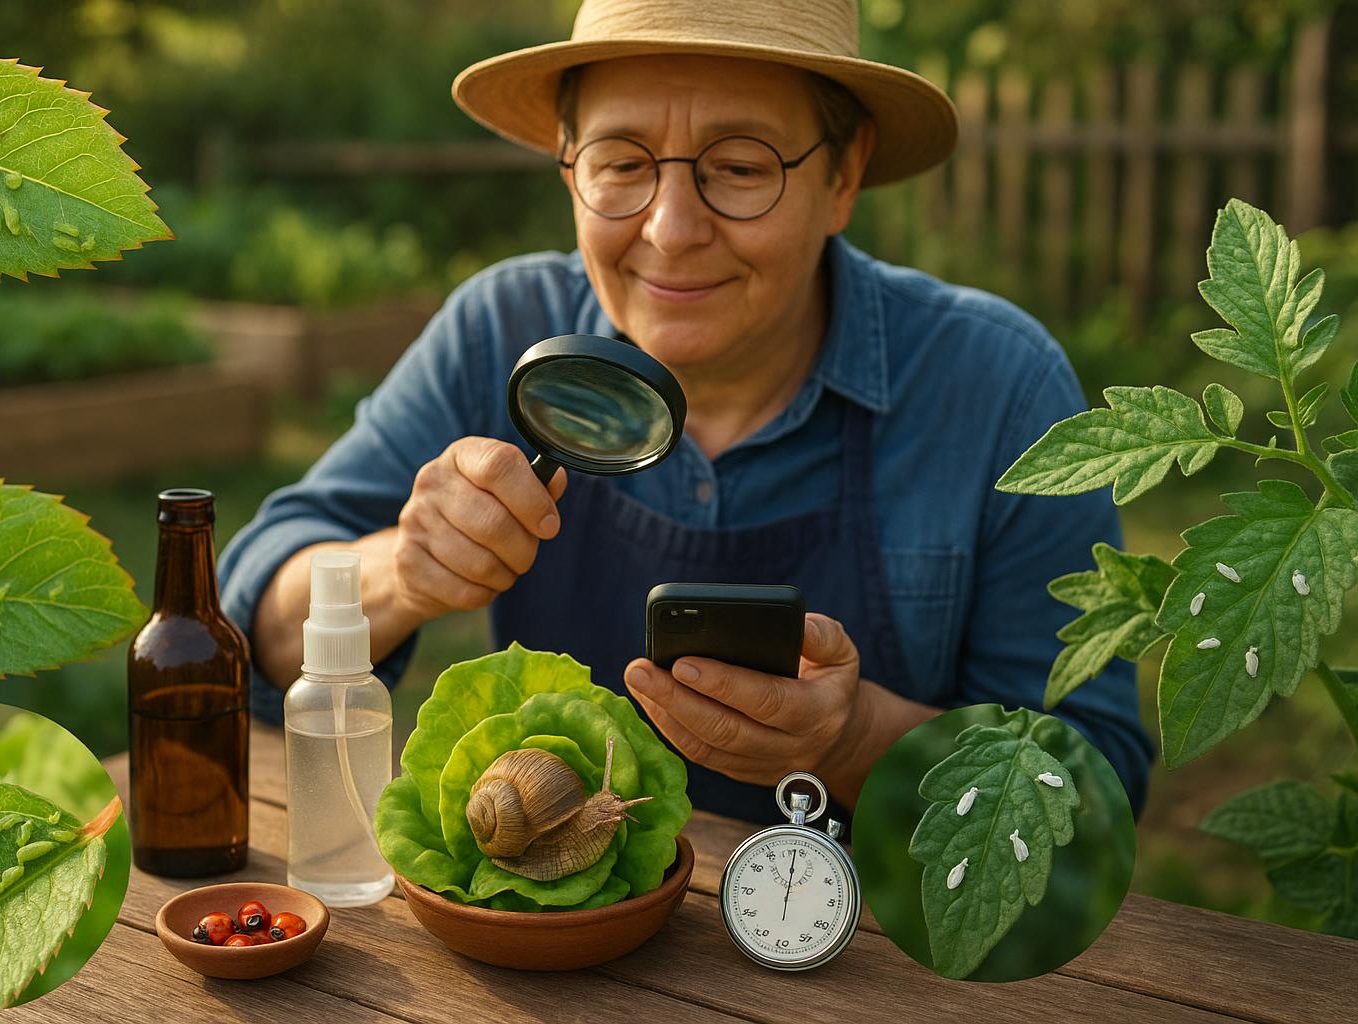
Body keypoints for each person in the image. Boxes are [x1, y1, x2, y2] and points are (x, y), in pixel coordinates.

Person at [218, 0, 1152, 824]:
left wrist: (854, 738)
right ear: (566, 169)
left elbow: (1095, 783)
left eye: (740, 168)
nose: (670, 230)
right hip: (566, 945)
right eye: (622, 164)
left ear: (844, 175)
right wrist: (403, 572)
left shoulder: (994, 385)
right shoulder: (500, 331)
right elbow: (249, 614)